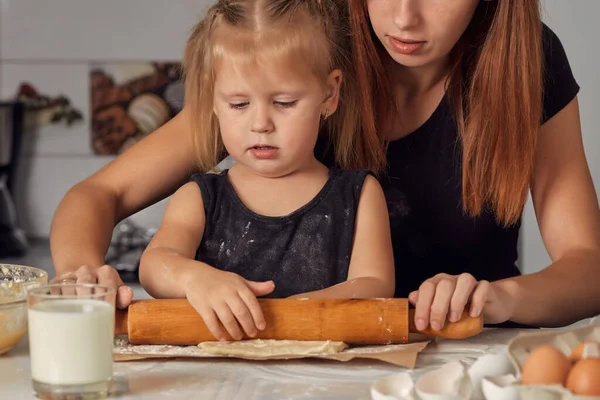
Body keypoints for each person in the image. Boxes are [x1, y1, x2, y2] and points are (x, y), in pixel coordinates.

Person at [50, 0, 600, 332]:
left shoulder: (526, 58)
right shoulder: (309, 44)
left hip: (459, 367)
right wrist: (80, 274)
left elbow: (588, 265)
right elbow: (98, 196)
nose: (405, 16)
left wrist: (499, 297)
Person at [135, 0, 395, 341]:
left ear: (329, 94)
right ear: (214, 101)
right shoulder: (199, 199)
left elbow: (376, 283)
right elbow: (155, 264)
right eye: (239, 104)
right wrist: (195, 279)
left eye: (284, 103)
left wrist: (298, 313)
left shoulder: (359, 195)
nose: (260, 124)